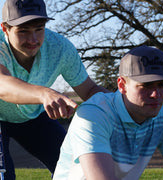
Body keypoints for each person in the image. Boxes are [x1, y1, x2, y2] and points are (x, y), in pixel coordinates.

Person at [0, 0, 108, 179]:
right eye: (23, 31)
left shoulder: (59, 47)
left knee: (78, 168)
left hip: (32, 116)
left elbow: (89, 90)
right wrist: (44, 93)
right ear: (5, 28)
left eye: (39, 29)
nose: (33, 39)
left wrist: (123, 105)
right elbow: (2, 85)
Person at [53, 45, 163, 180]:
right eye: (146, 85)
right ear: (122, 85)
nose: (156, 94)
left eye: (161, 84)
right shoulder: (93, 115)